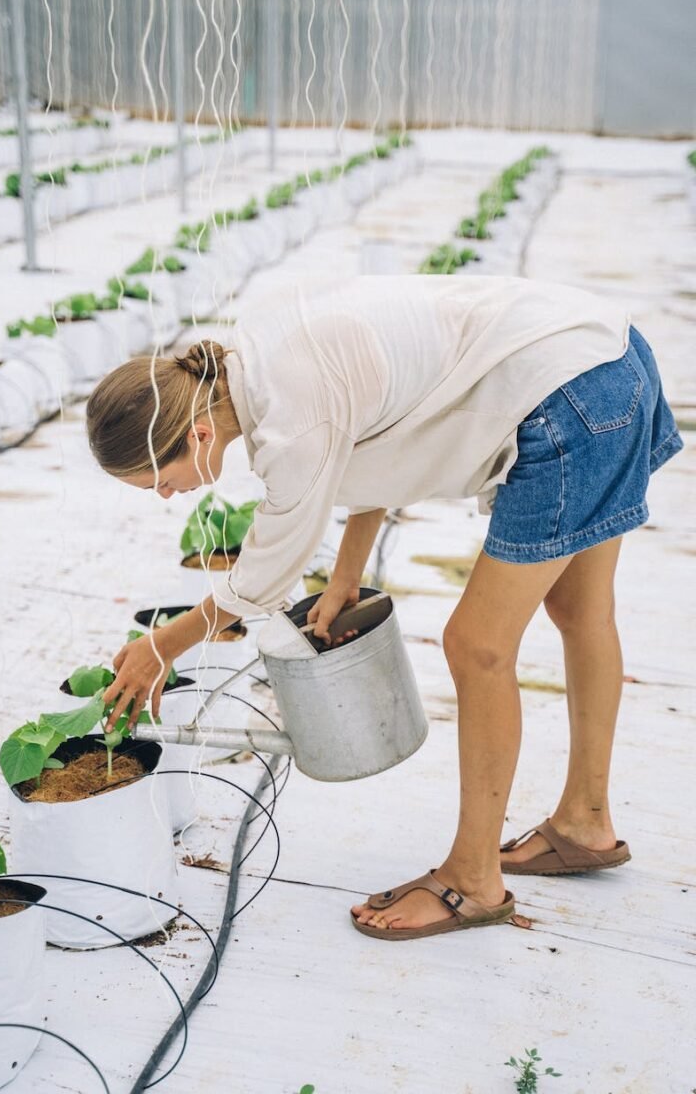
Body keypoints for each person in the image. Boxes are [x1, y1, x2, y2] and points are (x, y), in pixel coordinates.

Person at [86, 274, 683, 942]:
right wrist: (347, 574)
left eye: (158, 483)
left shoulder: (289, 423)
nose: (168, 498)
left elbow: (259, 578)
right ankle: (585, 823)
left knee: (476, 646)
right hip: (604, 354)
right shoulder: (261, 355)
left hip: (565, 400)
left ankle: (474, 880)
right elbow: (373, 435)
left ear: (196, 436)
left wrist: (161, 646)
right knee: (582, 610)